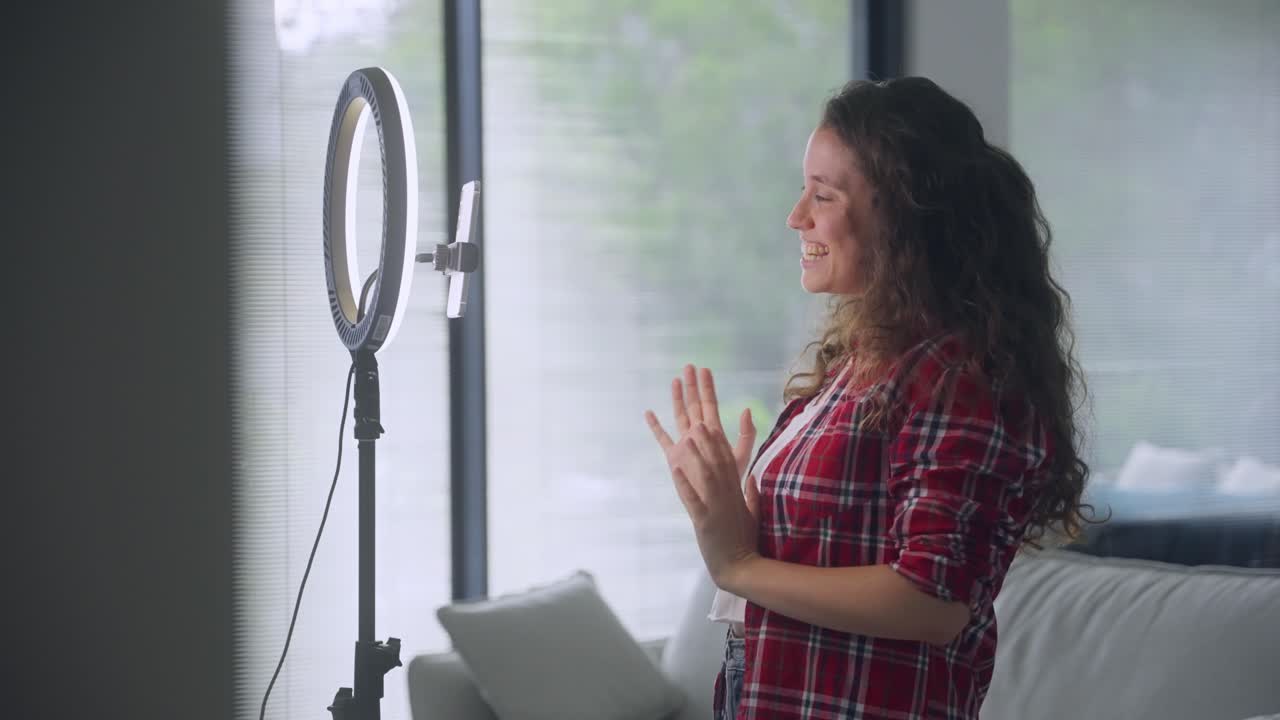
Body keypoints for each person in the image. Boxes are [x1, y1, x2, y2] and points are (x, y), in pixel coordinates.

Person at [644, 76, 1091, 720]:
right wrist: (726, 512)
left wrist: (737, 565)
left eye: (823, 195)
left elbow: (932, 601)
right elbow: (832, 547)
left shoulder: (959, 375)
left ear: (903, 216)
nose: (796, 216)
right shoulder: (862, 364)